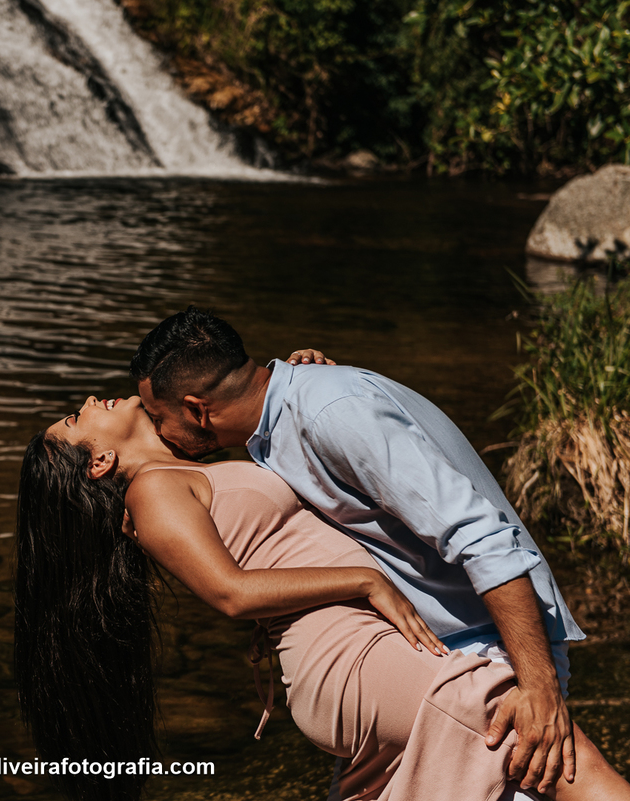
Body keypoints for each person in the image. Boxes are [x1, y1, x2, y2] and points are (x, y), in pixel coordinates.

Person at [14, 395, 630, 801]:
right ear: (98, 462)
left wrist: (296, 381)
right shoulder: (149, 494)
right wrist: (364, 581)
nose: (91, 400)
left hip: (365, 650)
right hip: (345, 656)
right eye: (75, 416)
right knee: (557, 750)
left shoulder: (183, 471)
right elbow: (231, 593)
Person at [129, 308, 586, 796]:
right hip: (439, 652)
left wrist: (538, 686)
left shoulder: (332, 411)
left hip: (491, 651)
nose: (160, 433)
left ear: (198, 409)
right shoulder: (283, 418)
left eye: (159, 418)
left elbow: (482, 538)